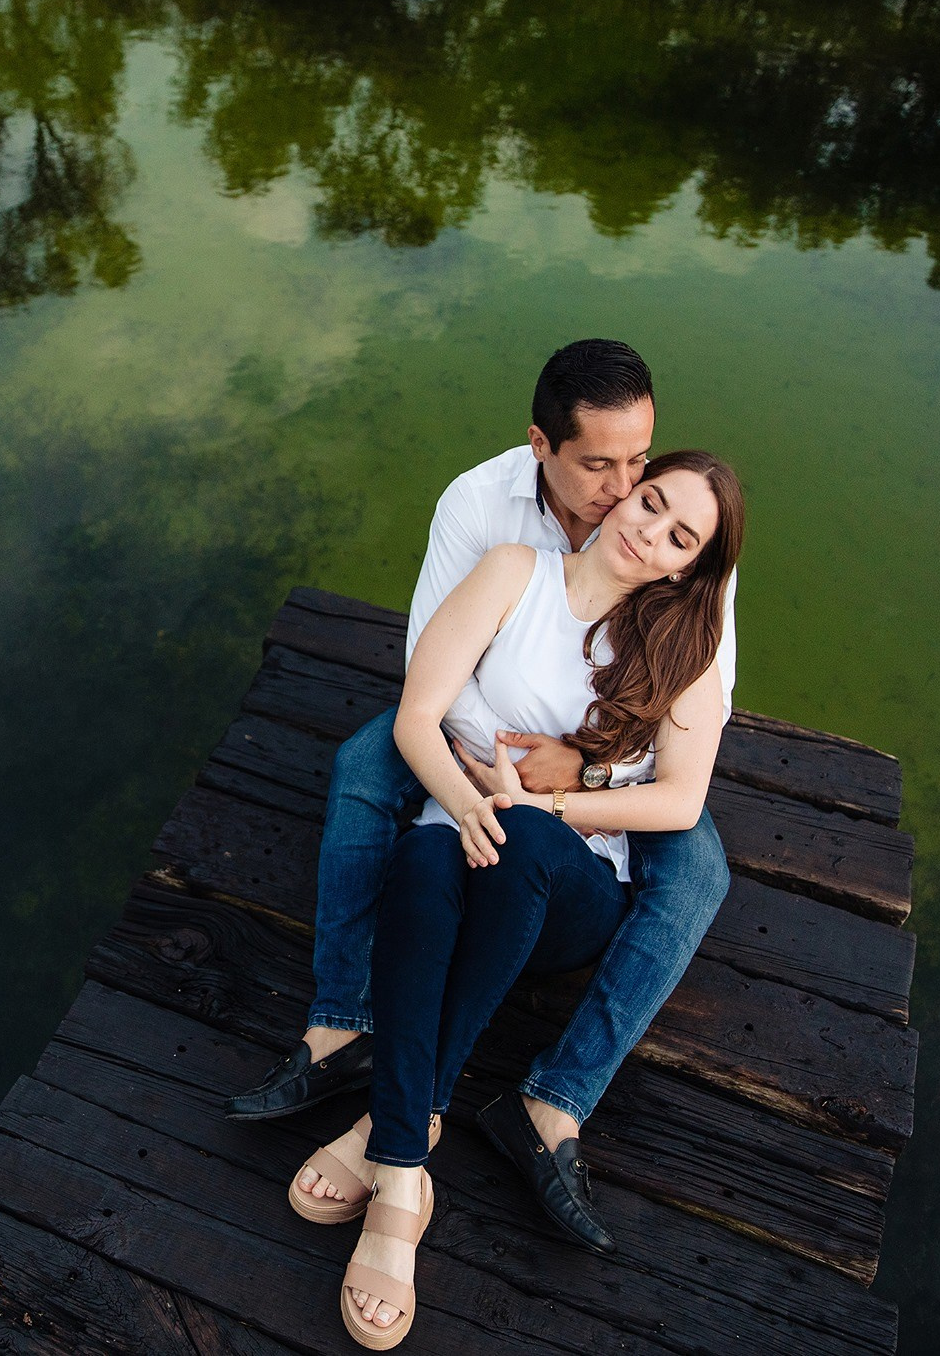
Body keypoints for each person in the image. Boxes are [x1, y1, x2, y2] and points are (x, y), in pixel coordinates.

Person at [225, 339, 737, 1253]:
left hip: (594, 776)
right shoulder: (482, 510)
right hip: (473, 732)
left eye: (641, 462)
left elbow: (686, 747)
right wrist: (486, 778)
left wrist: (574, 772)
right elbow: (433, 669)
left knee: (698, 868)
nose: (628, 492)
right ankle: (342, 1026)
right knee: (366, 762)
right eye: (603, 467)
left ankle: (553, 1101)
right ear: (541, 444)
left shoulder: (685, 558)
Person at [321, 450, 745, 1346]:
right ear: (623, 491)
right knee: (425, 864)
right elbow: (414, 715)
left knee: (519, 847)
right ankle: (403, 1159)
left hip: (569, 889)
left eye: (680, 536)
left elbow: (679, 802)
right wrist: (474, 804)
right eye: (651, 500)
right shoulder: (515, 571)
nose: (649, 530)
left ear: (690, 566)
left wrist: (541, 803)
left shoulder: (683, 650)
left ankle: (397, 1122)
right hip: (467, 842)